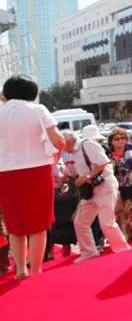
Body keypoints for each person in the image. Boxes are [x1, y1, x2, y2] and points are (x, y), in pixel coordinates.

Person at [0, 75, 65, 279]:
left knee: (14, 223)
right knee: (39, 222)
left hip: (6, 172)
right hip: (36, 169)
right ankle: (36, 269)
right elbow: (59, 140)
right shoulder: (38, 110)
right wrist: (56, 156)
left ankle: (20, 270)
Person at [66, 127, 130, 262]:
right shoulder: (72, 153)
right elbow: (71, 172)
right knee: (80, 222)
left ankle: (122, 250)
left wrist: (87, 176)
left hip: (104, 185)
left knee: (106, 222)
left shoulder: (87, 144)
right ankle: (89, 252)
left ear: (67, 142)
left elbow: (103, 162)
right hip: (89, 190)